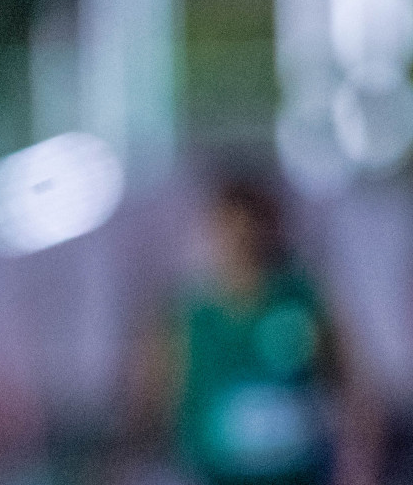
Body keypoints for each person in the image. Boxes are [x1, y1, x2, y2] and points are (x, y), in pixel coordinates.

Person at [129, 174, 379, 485]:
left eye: (249, 227)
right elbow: (154, 402)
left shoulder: (303, 301)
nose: (241, 241)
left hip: (298, 474)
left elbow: (353, 387)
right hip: (213, 474)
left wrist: (359, 465)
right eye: (229, 229)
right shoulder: (189, 316)